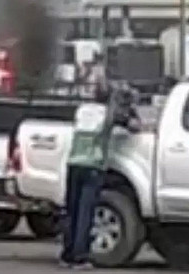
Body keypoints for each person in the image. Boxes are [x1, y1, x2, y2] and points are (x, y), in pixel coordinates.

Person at [60, 84, 139, 269]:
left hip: (73, 164)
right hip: (93, 166)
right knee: (85, 213)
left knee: (72, 211)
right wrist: (131, 107)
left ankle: (67, 254)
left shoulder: (82, 110)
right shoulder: (108, 114)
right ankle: (80, 256)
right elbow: (134, 126)